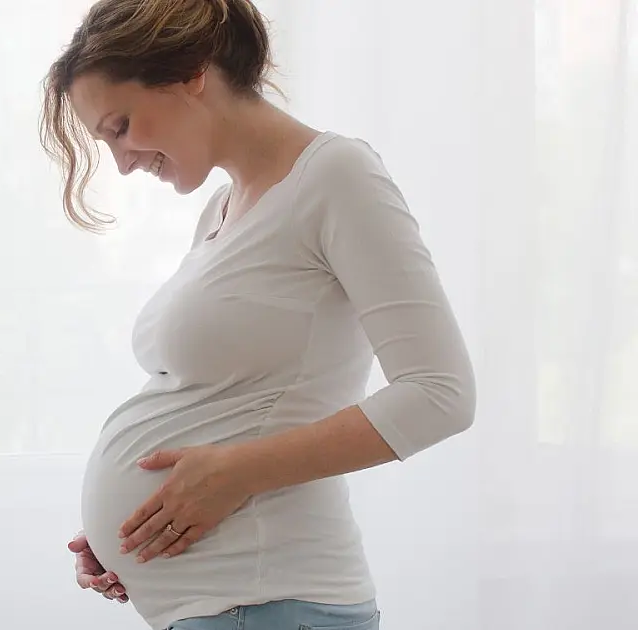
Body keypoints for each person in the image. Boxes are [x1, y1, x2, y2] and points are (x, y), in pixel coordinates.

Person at [39, 1, 477, 629]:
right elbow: (228, 401)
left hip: (274, 603)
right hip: (226, 607)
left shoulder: (336, 175)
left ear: (192, 71)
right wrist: (137, 531)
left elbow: (441, 394)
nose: (123, 161)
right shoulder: (220, 208)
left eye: (122, 125)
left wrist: (234, 475)